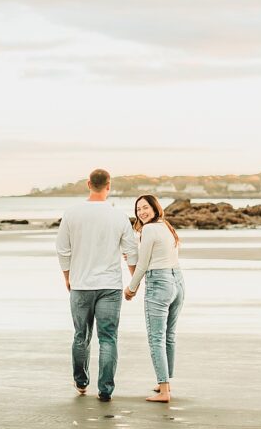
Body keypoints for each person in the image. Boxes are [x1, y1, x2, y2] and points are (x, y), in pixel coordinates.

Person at [55, 169, 139, 402]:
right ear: (109, 186)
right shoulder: (118, 216)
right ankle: (105, 390)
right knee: (108, 338)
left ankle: (81, 383)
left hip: (81, 284)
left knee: (81, 335)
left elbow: (63, 249)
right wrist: (134, 282)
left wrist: (67, 277)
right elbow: (131, 251)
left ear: (88, 184)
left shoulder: (72, 213)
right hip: (110, 286)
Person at [124, 194, 184, 403]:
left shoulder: (149, 229)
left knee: (156, 338)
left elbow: (143, 265)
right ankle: (164, 382)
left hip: (159, 283)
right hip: (177, 281)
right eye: (138, 209)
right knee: (169, 335)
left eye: (145, 207)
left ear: (155, 208)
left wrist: (131, 289)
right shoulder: (165, 226)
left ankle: (165, 391)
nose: (141, 212)